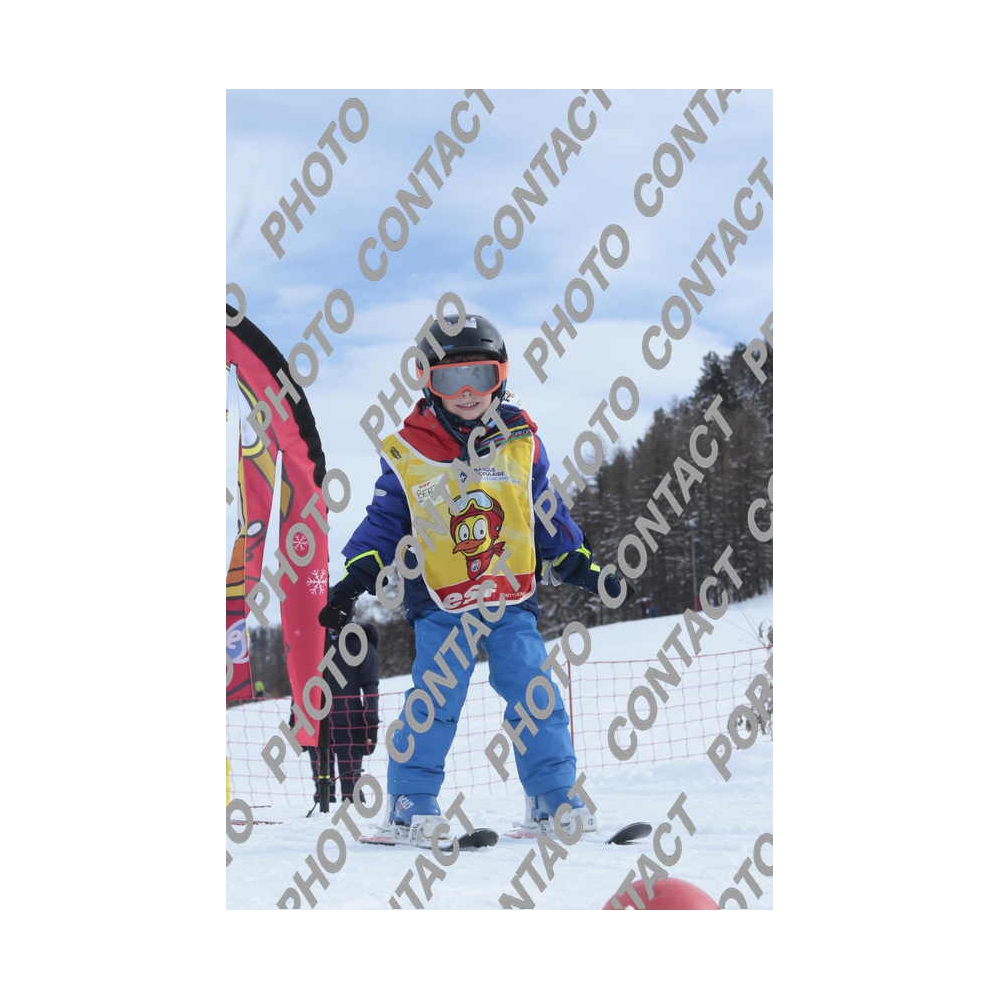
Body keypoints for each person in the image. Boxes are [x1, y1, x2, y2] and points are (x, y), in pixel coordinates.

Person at [319, 313, 623, 839]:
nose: (465, 393)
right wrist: (356, 576)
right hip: (441, 600)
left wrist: (581, 564)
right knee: (435, 701)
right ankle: (410, 802)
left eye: (479, 376)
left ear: (500, 377)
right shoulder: (410, 452)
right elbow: (385, 520)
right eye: (449, 379)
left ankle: (552, 797)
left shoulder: (521, 441)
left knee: (535, 692)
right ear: (426, 381)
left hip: (510, 597)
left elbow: (543, 509)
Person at [298, 619, 380, 805]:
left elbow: (301, 686)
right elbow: (370, 689)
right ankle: (351, 816)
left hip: (316, 721)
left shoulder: (312, 646)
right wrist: (371, 725)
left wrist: (296, 722)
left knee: (323, 788)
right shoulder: (362, 646)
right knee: (352, 786)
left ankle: (322, 815)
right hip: (350, 722)